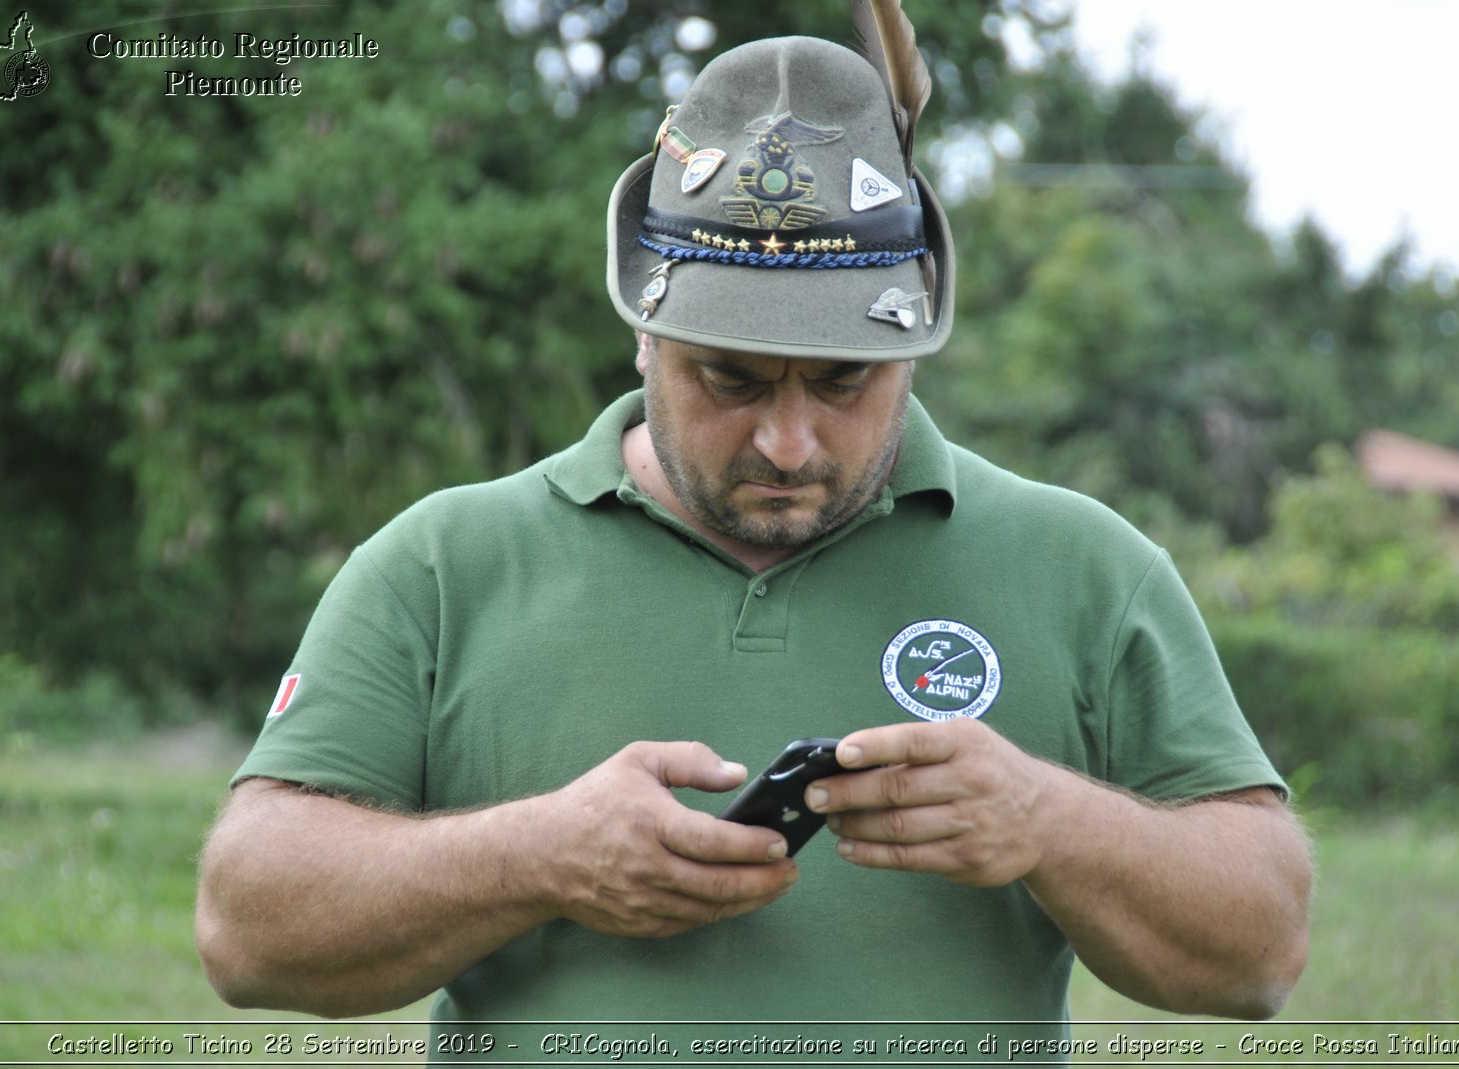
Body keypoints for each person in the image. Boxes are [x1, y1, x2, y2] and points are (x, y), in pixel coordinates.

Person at [196, 26, 1310, 1059]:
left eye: (842, 383)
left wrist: (1051, 820)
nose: (787, 443)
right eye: (727, 378)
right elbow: (249, 930)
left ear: (914, 338)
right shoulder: (441, 565)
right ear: (644, 326)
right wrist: (536, 854)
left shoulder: (1086, 571)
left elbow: (1260, 949)